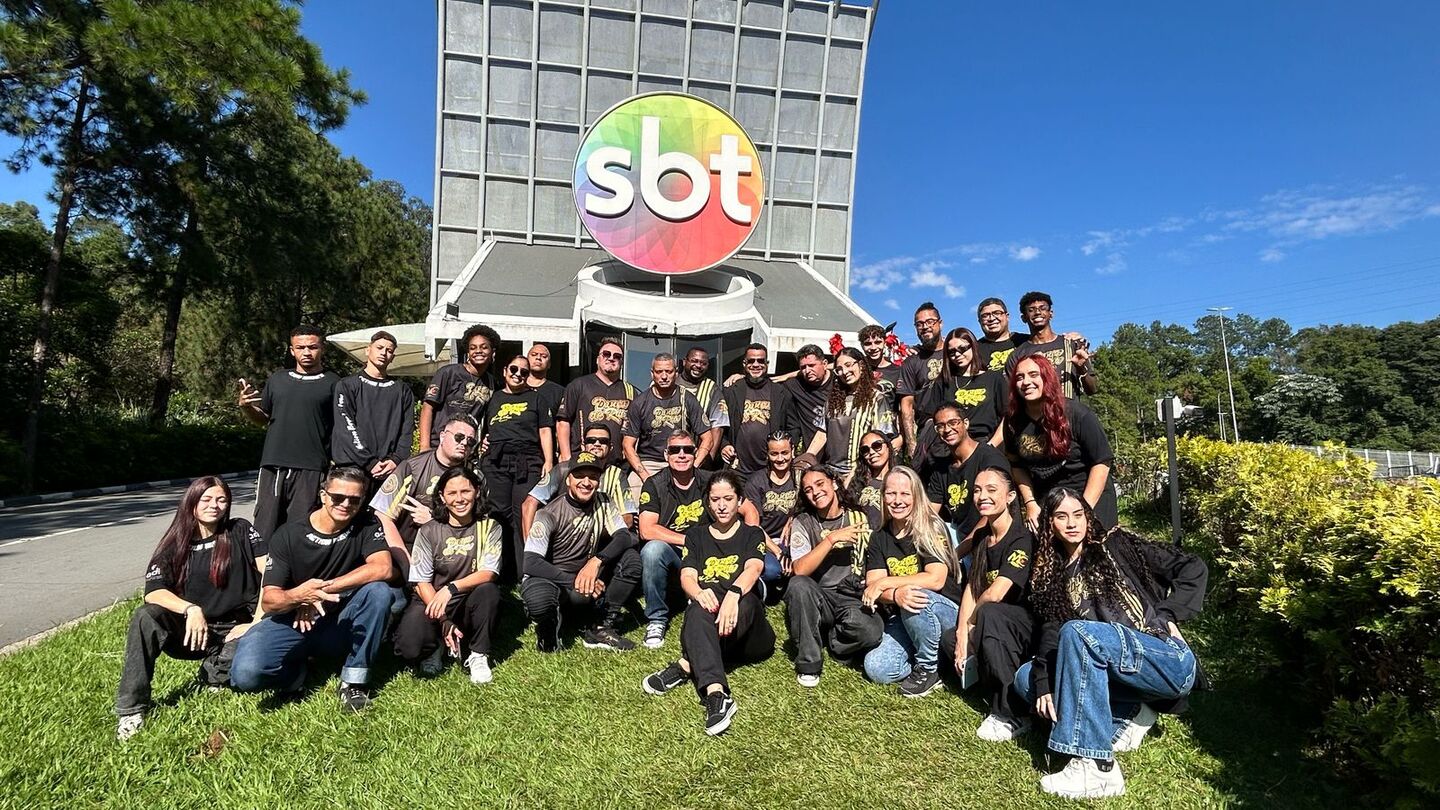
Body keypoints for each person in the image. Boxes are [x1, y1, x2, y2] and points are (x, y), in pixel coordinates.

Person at [1012, 488, 1208, 800]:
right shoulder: (1054, 576)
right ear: (1050, 524)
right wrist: (1042, 681)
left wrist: (1169, 615)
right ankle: (1129, 714)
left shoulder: (1116, 544)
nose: (1072, 523)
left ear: (1088, 516)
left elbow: (1192, 567)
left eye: (1078, 514)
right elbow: (1051, 635)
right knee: (1026, 679)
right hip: (1120, 672)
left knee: (1078, 633)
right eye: (1062, 517)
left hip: (1165, 657)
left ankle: (1099, 768)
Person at [230, 466, 395, 712]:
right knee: (246, 675)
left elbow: (383, 568)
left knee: (380, 592)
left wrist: (320, 590)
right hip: (293, 619)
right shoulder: (289, 534)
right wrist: (298, 596)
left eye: (354, 499)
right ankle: (295, 675)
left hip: (340, 617)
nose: (345, 504)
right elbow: (270, 600)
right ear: (323, 495)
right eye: (338, 497)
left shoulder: (367, 525)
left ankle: (353, 682)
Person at [115, 478, 266, 740]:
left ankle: (214, 673)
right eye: (206, 499)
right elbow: (153, 591)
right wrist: (191, 609)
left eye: (221, 500)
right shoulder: (174, 544)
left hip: (237, 628)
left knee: (251, 650)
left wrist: (256, 622)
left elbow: (270, 574)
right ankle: (132, 708)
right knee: (145, 616)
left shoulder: (240, 530)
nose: (214, 506)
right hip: (192, 632)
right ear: (191, 503)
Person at [641, 470, 774, 736]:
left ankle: (687, 664)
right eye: (715, 500)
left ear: (739, 501)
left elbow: (753, 568)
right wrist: (698, 593)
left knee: (746, 603)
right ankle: (717, 695)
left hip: (750, 634)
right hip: (714, 622)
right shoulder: (696, 536)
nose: (722, 505)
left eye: (728, 498)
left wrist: (733, 595)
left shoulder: (752, 534)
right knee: (696, 610)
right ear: (708, 502)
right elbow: (688, 576)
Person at [521, 452, 642, 652]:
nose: (586, 482)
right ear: (568, 479)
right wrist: (574, 581)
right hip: (554, 578)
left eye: (593, 477)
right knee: (539, 599)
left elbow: (623, 536)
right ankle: (548, 629)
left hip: (585, 578)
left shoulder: (604, 501)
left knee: (631, 560)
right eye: (580, 476)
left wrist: (596, 562)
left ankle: (601, 626)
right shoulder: (548, 513)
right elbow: (530, 562)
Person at [393, 467, 503, 684]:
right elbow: (421, 581)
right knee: (408, 648)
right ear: (442, 497)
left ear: (477, 492)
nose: (460, 499)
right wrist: (443, 619)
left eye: (466, 491)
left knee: (489, 592)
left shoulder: (490, 526)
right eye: (452, 493)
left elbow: (488, 573)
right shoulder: (429, 530)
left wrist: (451, 588)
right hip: (432, 600)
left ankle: (478, 653)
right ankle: (436, 644)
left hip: (468, 598)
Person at [859, 468, 962, 698]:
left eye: (905, 494)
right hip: (906, 615)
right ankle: (938, 660)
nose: (897, 501)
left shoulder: (931, 528)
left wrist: (888, 583)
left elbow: (935, 579)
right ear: (883, 497)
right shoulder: (879, 537)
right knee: (877, 668)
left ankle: (928, 669)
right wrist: (895, 595)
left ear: (916, 496)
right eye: (891, 493)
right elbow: (872, 587)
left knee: (913, 594)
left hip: (945, 610)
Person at [951, 466, 1037, 743]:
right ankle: (983, 681)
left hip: (1022, 626)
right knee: (947, 638)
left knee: (989, 613)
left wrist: (972, 624)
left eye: (991, 490)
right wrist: (962, 634)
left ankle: (1012, 712)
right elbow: (973, 588)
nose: (982, 496)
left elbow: (996, 593)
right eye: (977, 490)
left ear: (1011, 496)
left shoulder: (1022, 538)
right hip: (991, 622)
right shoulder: (981, 538)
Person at [782, 466, 883, 687]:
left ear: (834, 483)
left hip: (851, 594)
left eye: (820, 484)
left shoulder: (859, 517)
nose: (815, 492)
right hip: (818, 596)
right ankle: (809, 662)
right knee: (798, 585)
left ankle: (834, 640)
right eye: (808, 490)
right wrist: (831, 540)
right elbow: (799, 569)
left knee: (872, 631)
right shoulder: (804, 522)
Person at [237, 324, 340, 539]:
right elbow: (263, 419)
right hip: (273, 466)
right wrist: (246, 407)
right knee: (264, 529)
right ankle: (261, 572)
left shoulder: (334, 383)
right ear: (292, 350)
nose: (306, 352)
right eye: (300, 347)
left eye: (312, 347)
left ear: (322, 349)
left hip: (312, 468)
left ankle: (297, 573)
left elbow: (340, 427)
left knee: (301, 530)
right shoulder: (277, 379)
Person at [1004, 355, 1118, 530]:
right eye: (1020, 377)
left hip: (1088, 494)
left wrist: (1083, 511)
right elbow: (1017, 466)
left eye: (1034, 374)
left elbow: (1101, 462)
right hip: (1048, 499)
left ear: (1047, 377)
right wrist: (1030, 503)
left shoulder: (1077, 414)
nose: (1026, 382)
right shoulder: (1012, 422)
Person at [480, 353, 555, 581]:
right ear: (505, 371)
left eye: (524, 371)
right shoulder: (492, 399)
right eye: (514, 369)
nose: (518, 374)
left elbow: (545, 430)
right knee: (497, 514)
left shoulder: (536, 399)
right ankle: (498, 571)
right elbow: (482, 429)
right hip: (496, 461)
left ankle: (526, 572)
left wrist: (549, 460)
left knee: (523, 513)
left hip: (528, 460)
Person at [638, 430, 713, 648]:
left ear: (695, 453)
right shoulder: (654, 484)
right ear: (666, 455)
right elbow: (647, 530)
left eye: (687, 450)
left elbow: (746, 507)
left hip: (707, 551)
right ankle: (656, 619)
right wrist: (688, 540)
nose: (681, 455)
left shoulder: (709, 480)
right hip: (676, 552)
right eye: (675, 450)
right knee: (652, 550)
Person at [370, 413, 479, 564]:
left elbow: (478, 526)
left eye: (471, 441)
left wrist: (435, 521)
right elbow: (383, 516)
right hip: (409, 548)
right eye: (459, 437)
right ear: (442, 436)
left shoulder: (475, 477)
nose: (464, 443)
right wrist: (407, 565)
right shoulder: (412, 468)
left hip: (454, 551)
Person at [331, 330, 415, 497]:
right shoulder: (347, 385)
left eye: (389, 350)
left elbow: (407, 430)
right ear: (368, 350)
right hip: (352, 468)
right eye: (379, 348)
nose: (384, 353)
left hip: (387, 471)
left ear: (393, 357)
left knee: (380, 521)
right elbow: (345, 427)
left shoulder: (402, 390)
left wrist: (396, 460)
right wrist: (369, 462)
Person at [623, 353, 712, 499]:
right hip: (648, 463)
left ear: (676, 373)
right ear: (652, 374)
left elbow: (708, 438)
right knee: (632, 494)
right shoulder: (639, 403)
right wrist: (645, 477)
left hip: (681, 458)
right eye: (659, 372)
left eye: (669, 371)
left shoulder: (687, 399)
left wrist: (693, 466)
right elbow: (627, 445)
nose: (664, 376)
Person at [521, 423, 634, 536]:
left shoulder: (617, 474)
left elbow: (627, 520)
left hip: (601, 540)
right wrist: (530, 547)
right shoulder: (563, 469)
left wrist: (587, 535)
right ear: (583, 446)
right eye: (591, 440)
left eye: (603, 441)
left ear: (611, 447)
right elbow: (528, 504)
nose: (597, 444)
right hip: (561, 539)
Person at [923, 403, 1011, 544]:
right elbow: (929, 514)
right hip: (959, 536)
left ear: (966, 423)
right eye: (940, 426)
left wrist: (959, 553)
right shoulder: (940, 468)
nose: (947, 429)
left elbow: (993, 514)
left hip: (991, 539)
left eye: (953, 423)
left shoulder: (989, 458)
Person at [919, 327, 1008, 448]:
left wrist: (990, 446)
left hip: (986, 443)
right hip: (950, 447)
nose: (957, 354)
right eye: (951, 351)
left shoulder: (994, 378)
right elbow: (930, 417)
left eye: (962, 349)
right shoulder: (943, 382)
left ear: (973, 347)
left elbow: (1007, 417)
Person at [820, 347, 896, 484]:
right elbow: (822, 433)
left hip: (862, 473)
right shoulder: (831, 401)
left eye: (849, 365)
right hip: (831, 473)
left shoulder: (876, 398)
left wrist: (856, 473)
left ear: (861, 365)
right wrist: (807, 457)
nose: (844, 372)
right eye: (839, 369)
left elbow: (883, 440)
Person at [419, 324, 500, 450]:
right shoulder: (448, 373)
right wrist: (424, 446)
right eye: (473, 348)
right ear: (468, 352)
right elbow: (427, 408)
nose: (478, 351)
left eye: (484, 347)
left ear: (492, 352)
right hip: (439, 445)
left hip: (467, 448)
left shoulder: (492, 383)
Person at [556, 336, 635, 461]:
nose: (611, 358)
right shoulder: (578, 385)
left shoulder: (630, 391)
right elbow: (563, 422)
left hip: (616, 463)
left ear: (621, 362)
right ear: (597, 359)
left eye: (617, 356)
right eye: (606, 354)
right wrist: (566, 456)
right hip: (582, 460)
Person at [1006, 291, 1097, 399]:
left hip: (1068, 413)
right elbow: (1013, 396)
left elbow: (1093, 389)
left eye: (1043, 308)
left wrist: (1081, 368)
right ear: (1024, 318)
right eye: (1031, 310)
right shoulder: (1018, 355)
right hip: (1035, 415)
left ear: (1051, 314)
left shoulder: (1072, 345)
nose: (1037, 312)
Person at [720, 343, 793, 475]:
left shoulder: (781, 392)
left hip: (770, 468)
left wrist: (784, 452)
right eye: (751, 361)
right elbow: (720, 426)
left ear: (767, 363)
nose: (755, 364)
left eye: (760, 361)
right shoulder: (731, 391)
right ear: (744, 363)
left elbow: (792, 427)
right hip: (738, 467)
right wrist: (724, 445)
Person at [742, 431, 798, 591]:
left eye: (784, 453)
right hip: (766, 541)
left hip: (794, 540)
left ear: (793, 451)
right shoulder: (756, 481)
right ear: (767, 454)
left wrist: (793, 518)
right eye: (774, 453)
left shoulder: (799, 476)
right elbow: (754, 526)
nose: (780, 459)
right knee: (772, 571)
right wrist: (778, 552)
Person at [897, 302, 945, 458]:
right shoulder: (911, 362)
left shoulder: (956, 352)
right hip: (928, 428)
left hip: (957, 425)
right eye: (920, 324)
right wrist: (911, 443)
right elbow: (907, 404)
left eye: (930, 321)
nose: (925, 326)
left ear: (940, 323)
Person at [677, 346, 729, 465]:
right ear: (685, 362)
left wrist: (707, 460)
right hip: (670, 453)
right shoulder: (671, 384)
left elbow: (718, 427)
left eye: (703, 363)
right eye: (694, 361)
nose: (698, 366)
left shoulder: (712, 389)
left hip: (698, 456)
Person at [782, 344, 832, 462]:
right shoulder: (794, 386)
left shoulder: (840, 383)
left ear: (825, 364)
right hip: (812, 457)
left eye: (812, 365)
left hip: (838, 457)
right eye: (803, 367)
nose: (807, 371)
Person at [847, 429, 893, 528]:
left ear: (888, 447)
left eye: (877, 446)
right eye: (865, 450)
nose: (871, 452)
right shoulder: (859, 482)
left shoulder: (900, 479)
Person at [859, 323, 906, 411]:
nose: (873, 347)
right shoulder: (857, 369)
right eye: (868, 343)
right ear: (862, 346)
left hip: (888, 421)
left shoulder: (898, 371)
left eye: (877, 342)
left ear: (884, 343)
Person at [975, 297, 1029, 373]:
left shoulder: (1026, 341)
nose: (991, 318)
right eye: (985, 315)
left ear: (1007, 316)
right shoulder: (974, 350)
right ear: (979, 321)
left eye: (997, 313)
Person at [525, 342, 567, 431]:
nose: (538, 358)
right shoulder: (515, 388)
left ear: (549, 364)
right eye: (534, 355)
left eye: (544, 356)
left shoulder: (559, 392)